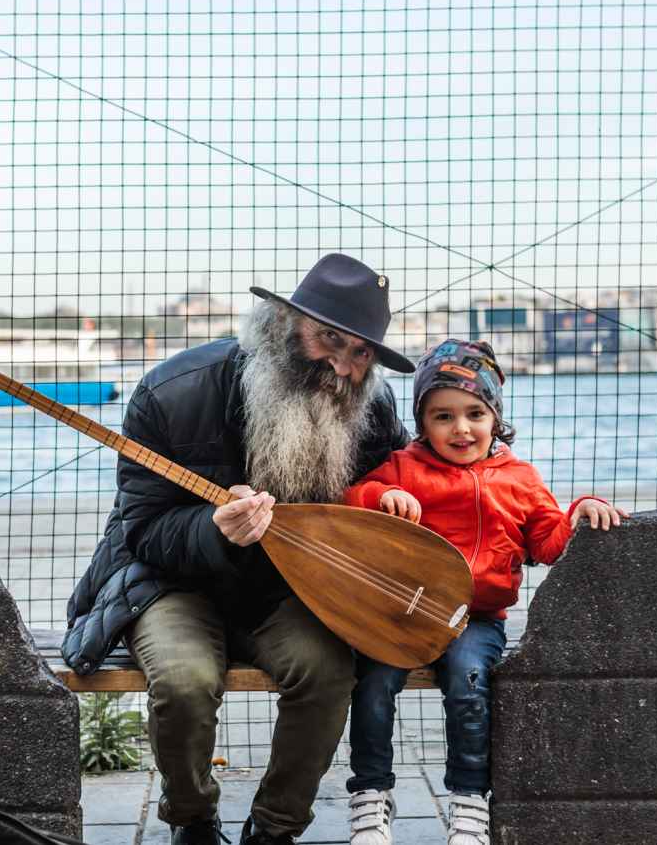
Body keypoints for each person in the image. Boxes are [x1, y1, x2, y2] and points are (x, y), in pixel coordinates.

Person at [62, 254, 417, 845]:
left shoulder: (372, 406)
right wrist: (214, 529)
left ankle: (275, 829)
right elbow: (141, 529)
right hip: (171, 581)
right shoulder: (171, 392)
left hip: (290, 589)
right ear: (282, 322)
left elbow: (401, 490)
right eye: (329, 339)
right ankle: (193, 821)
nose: (342, 366)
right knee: (182, 680)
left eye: (362, 353)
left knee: (327, 673)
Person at [339, 339, 629, 845]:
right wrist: (382, 494)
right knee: (373, 683)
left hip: (476, 616)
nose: (461, 428)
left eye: (475, 413)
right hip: (402, 613)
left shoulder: (519, 478)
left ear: (495, 416)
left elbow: (546, 542)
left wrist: (579, 511)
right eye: (442, 416)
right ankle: (370, 798)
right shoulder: (405, 467)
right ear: (423, 423)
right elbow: (351, 501)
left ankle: (470, 802)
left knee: (468, 683)